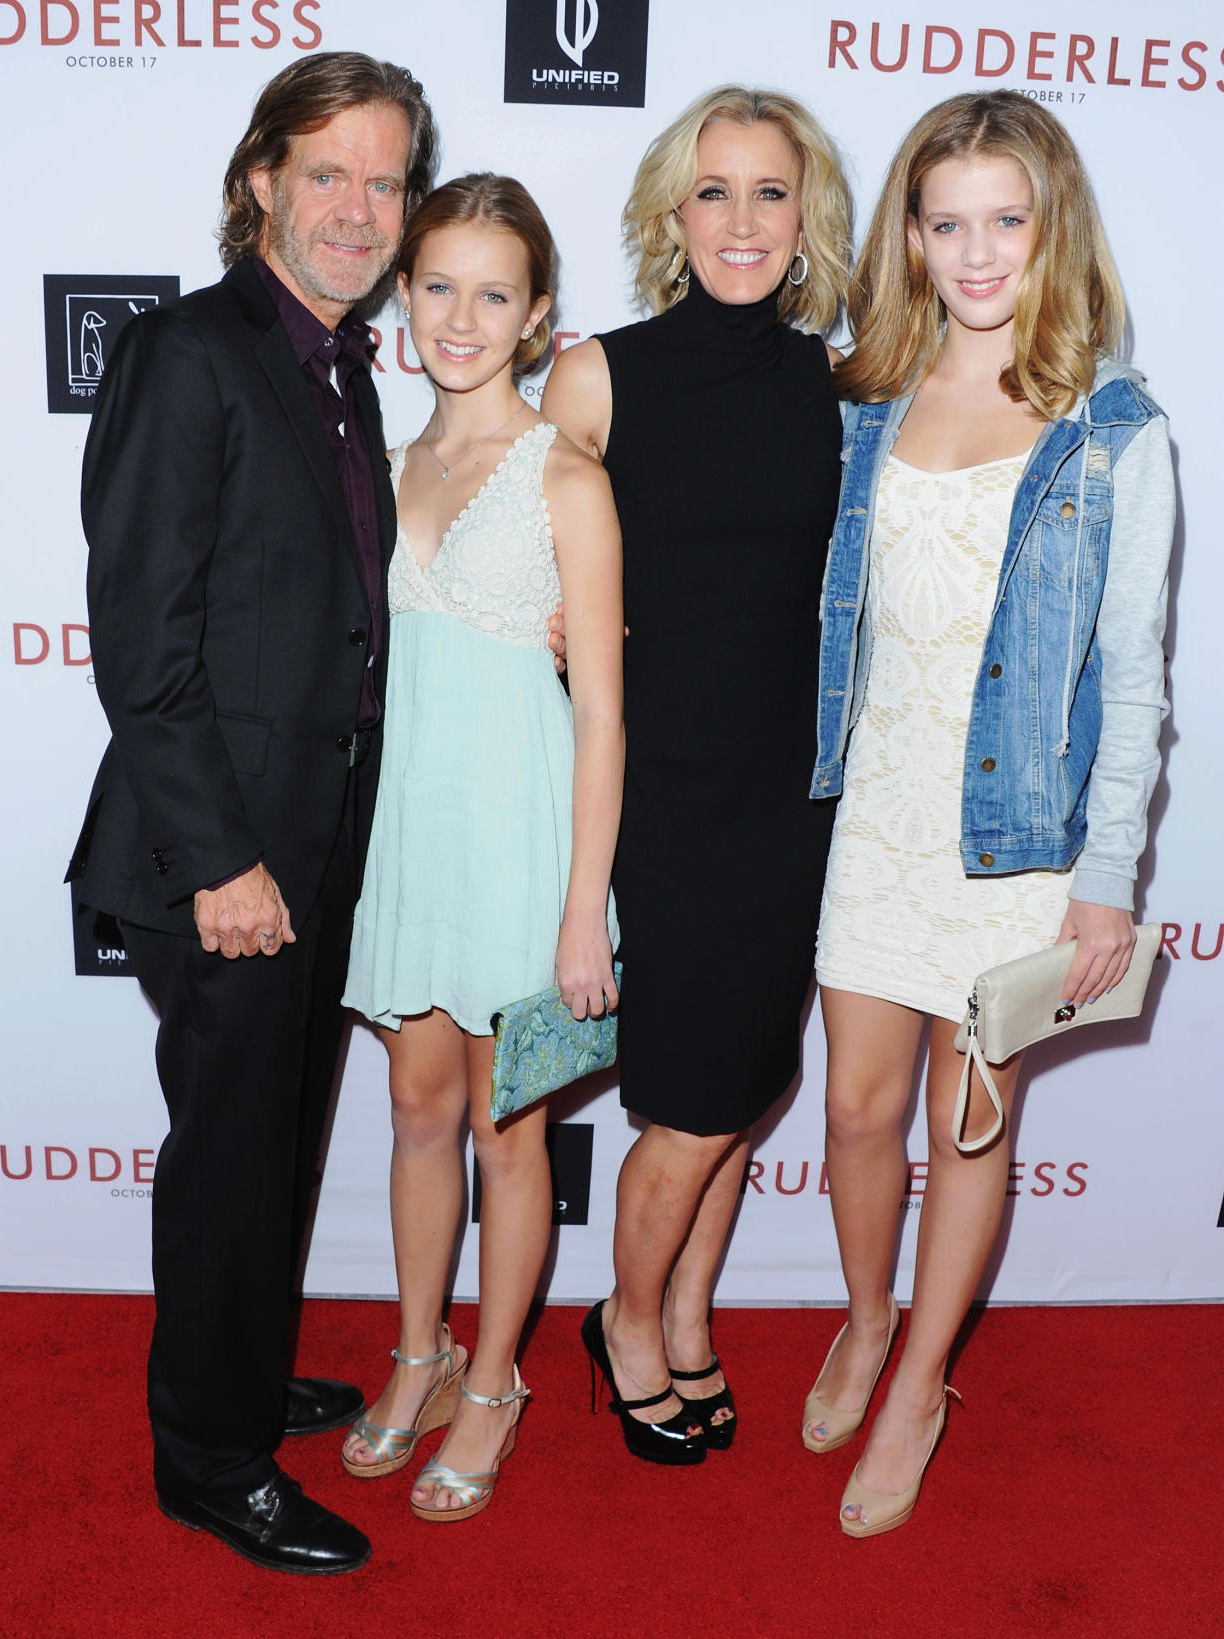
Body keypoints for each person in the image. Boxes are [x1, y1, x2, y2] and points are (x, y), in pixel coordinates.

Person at [64, 53, 436, 1574]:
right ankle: (211, 1461)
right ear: (263, 181)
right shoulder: (191, 352)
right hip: (217, 851)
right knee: (229, 1156)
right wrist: (223, 860)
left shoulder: (337, 367)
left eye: (387, 179)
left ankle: (234, 1372)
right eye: (329, 172)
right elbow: (139, 642)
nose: (360, 207)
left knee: (273, 1147)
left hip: (316, 839)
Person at [806, 90, 1173, 1537]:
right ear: (908, 232)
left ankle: (913, 1385)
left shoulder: (1114, 433)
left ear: (1050, 229)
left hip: (1017, 835)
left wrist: (1108, 880)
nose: (975, 253)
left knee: (966, 1126)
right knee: (851, 1109)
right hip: (865, 811)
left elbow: (1134, 682)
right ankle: (860, 1311)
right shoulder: (859, 397)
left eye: (1003, 222)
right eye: (946, 221)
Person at [542, 86, 851, 1462]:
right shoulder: (598, 374)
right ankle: (620, 1320)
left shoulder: (835, 383)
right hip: (661, 788)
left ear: (805, 218)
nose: (742, 220)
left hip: (794, 790)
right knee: (690, 1095)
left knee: (748, 1085)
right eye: (713, 192)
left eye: (769, 192)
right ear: (674, 214)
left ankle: (684, 1322)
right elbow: (506, 556)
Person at [339, 174, 624, 1519]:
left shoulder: (567, 474)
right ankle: (420, 1353)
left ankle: (497, 1379)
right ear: (403, 296)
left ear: (537, 317)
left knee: (510, 1142)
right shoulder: (385, 464)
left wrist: (582, 911)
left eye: (492, 293)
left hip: (524, 849)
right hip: (413, 838)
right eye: (437, 285)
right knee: (414, 1113)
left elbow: (606, 713)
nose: (460, 316)